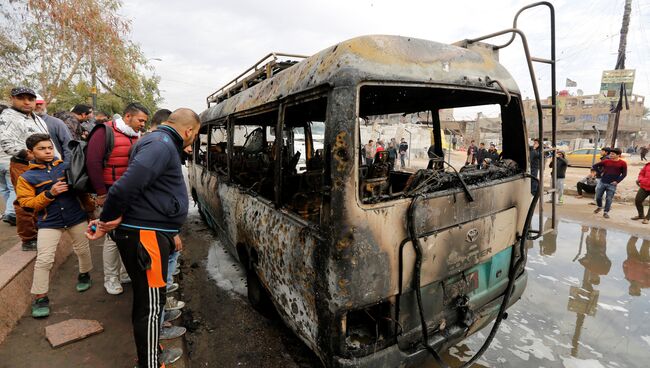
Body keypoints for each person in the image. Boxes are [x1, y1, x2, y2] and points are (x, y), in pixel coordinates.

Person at [86, 108, 201, 368]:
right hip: (144, 236)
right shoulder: (161, 145)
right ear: (189, 131)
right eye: (195, 135)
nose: (193, 140)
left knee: (152, 299)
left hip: (149, 233)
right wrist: (109, 218)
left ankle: (151, 351)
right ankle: (149, 363)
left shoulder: (157, 141)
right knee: (150, 306)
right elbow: (125, 186)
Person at [16, 133, 94, 318]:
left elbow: (82, 192)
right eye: (41, 149)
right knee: (44, 259)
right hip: (49, 222)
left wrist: (90, 211)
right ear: (31, 152)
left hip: (76, 217)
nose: (48, 151)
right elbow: (26, 204)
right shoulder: (27, 177)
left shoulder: (66, 167)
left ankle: (85, 274)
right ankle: (40, 297)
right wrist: (49, 194)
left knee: (82, 250)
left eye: (49, 147)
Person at [86, 103, 149, 295]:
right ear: (128, 116)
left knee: (128, 234)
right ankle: (110, 278)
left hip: (129, 194)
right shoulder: (104, 132)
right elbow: (93, 162)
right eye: (141, 120)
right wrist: (102, 193)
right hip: (110, 193)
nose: (143, 124)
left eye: (145, 121)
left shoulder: (135, 135)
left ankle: (123, 273)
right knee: (112, 238)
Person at [0, 87, 60, 251]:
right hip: (23, 165)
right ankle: (29, 238)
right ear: (13, 99)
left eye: (30, 99)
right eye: (22, 98)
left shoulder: (36, 118)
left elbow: (48, 141)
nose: (27, 102)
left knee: (42, 198)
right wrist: (31, 156)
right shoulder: (8, 117)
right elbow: (7, 143)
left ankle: (40, 232)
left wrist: (56, 159)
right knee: (25, 203)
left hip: (43, 164)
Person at [34, 96, 72, 160]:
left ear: (45, 104)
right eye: (36, 104)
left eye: (41, 104)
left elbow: (68, 145)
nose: (39, 106)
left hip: (55, 164)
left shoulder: (57, 123)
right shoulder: (23, 122)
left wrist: (66, 164)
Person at [592, 148, 627, 219]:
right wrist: (600, 172)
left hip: (612, 184)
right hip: (602, 182)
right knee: (598, 197)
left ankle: (606, 212)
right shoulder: (606, 161)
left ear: (618, 155)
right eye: (610, 153)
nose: (610, 155)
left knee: (609, 198)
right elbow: (594, 166)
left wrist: (617, 181)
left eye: (613, 154)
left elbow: (624, 174)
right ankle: (599, 206)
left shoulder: (623, 163)